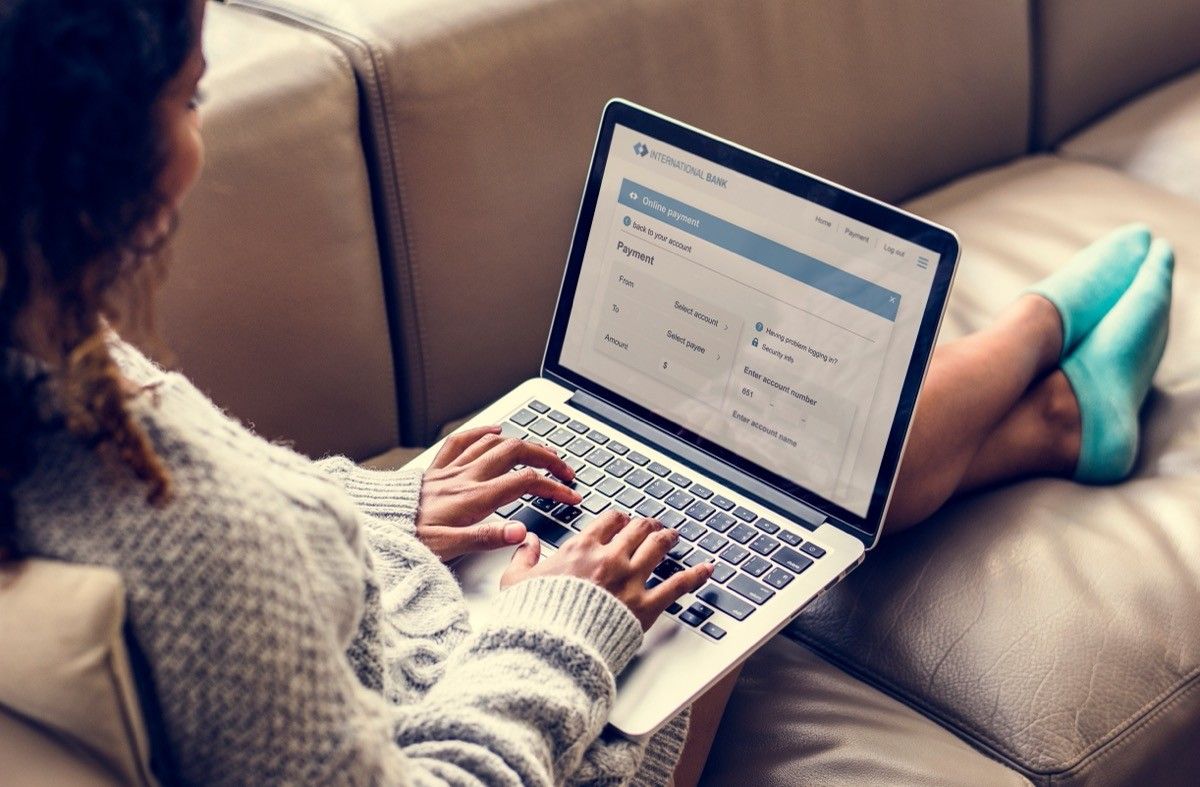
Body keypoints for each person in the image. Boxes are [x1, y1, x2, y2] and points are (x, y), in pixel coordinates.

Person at [0, 1, 1173, 785]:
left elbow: (232, 520)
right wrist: (570, 618)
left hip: (430, 617)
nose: (199, 137)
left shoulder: (44, 357)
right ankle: (1037, 340)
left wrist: (381, 511)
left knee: (730, 475)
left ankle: (1056, 419)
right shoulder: (192, 549)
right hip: (553, 723)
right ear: (101, 152)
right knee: (759, 480)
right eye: (194, 97)